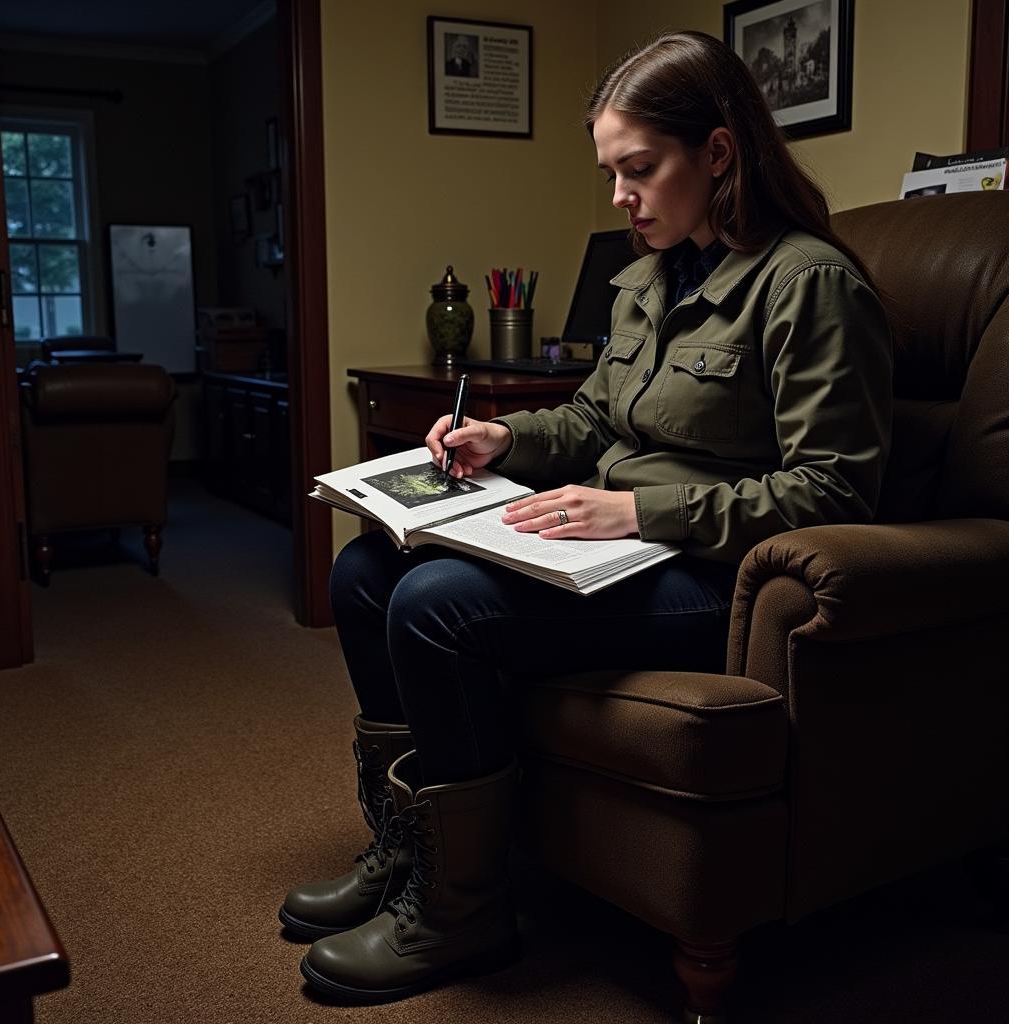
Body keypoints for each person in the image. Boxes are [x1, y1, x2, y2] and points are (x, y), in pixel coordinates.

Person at [281, 29, 892, 1003]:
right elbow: (594, 415)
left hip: (710, 573)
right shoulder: (649, 278)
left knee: (435, 603)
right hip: (611, 546)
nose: (618, 195)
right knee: (363, 572)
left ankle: (462, 908)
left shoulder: (809, 283)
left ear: (719, 154)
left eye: (637, 169)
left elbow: (831, 491)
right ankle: (404, 847)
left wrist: (637, 507)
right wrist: (504, 441)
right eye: (611, 171)